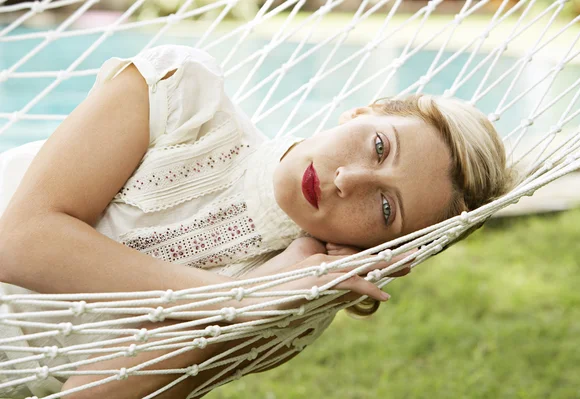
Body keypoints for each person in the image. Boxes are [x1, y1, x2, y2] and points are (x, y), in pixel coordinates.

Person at [0, 44, 513, 398]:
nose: (347, 180)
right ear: (361, 113)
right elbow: (19, 241)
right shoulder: (182, 96)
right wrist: (235, 300)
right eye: (379, 146)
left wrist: (246, 315)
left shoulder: (293, 309)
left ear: (387, 255)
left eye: (385, 208)